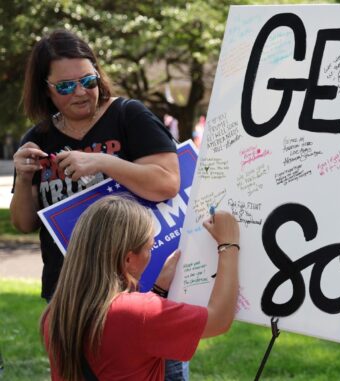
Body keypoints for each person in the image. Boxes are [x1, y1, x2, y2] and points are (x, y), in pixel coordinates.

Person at [10, 29, 183, 379]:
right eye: (64, 86)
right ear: (44, 89)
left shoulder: (127, 116)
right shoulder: (39, 138)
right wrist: (25, 178)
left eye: (88, 80)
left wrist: (104, 163)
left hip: (141, 290)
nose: (80, 92)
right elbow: (24, 224)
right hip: (69, 297)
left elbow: (168, 181)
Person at [41, 195, 240, 381]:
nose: (150, 255)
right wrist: (228, 244)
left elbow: (124, 347)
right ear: (128, 258)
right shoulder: (137, 312)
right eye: (149, 248)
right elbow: (219, 319)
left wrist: (159, 291)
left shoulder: (56, 313)